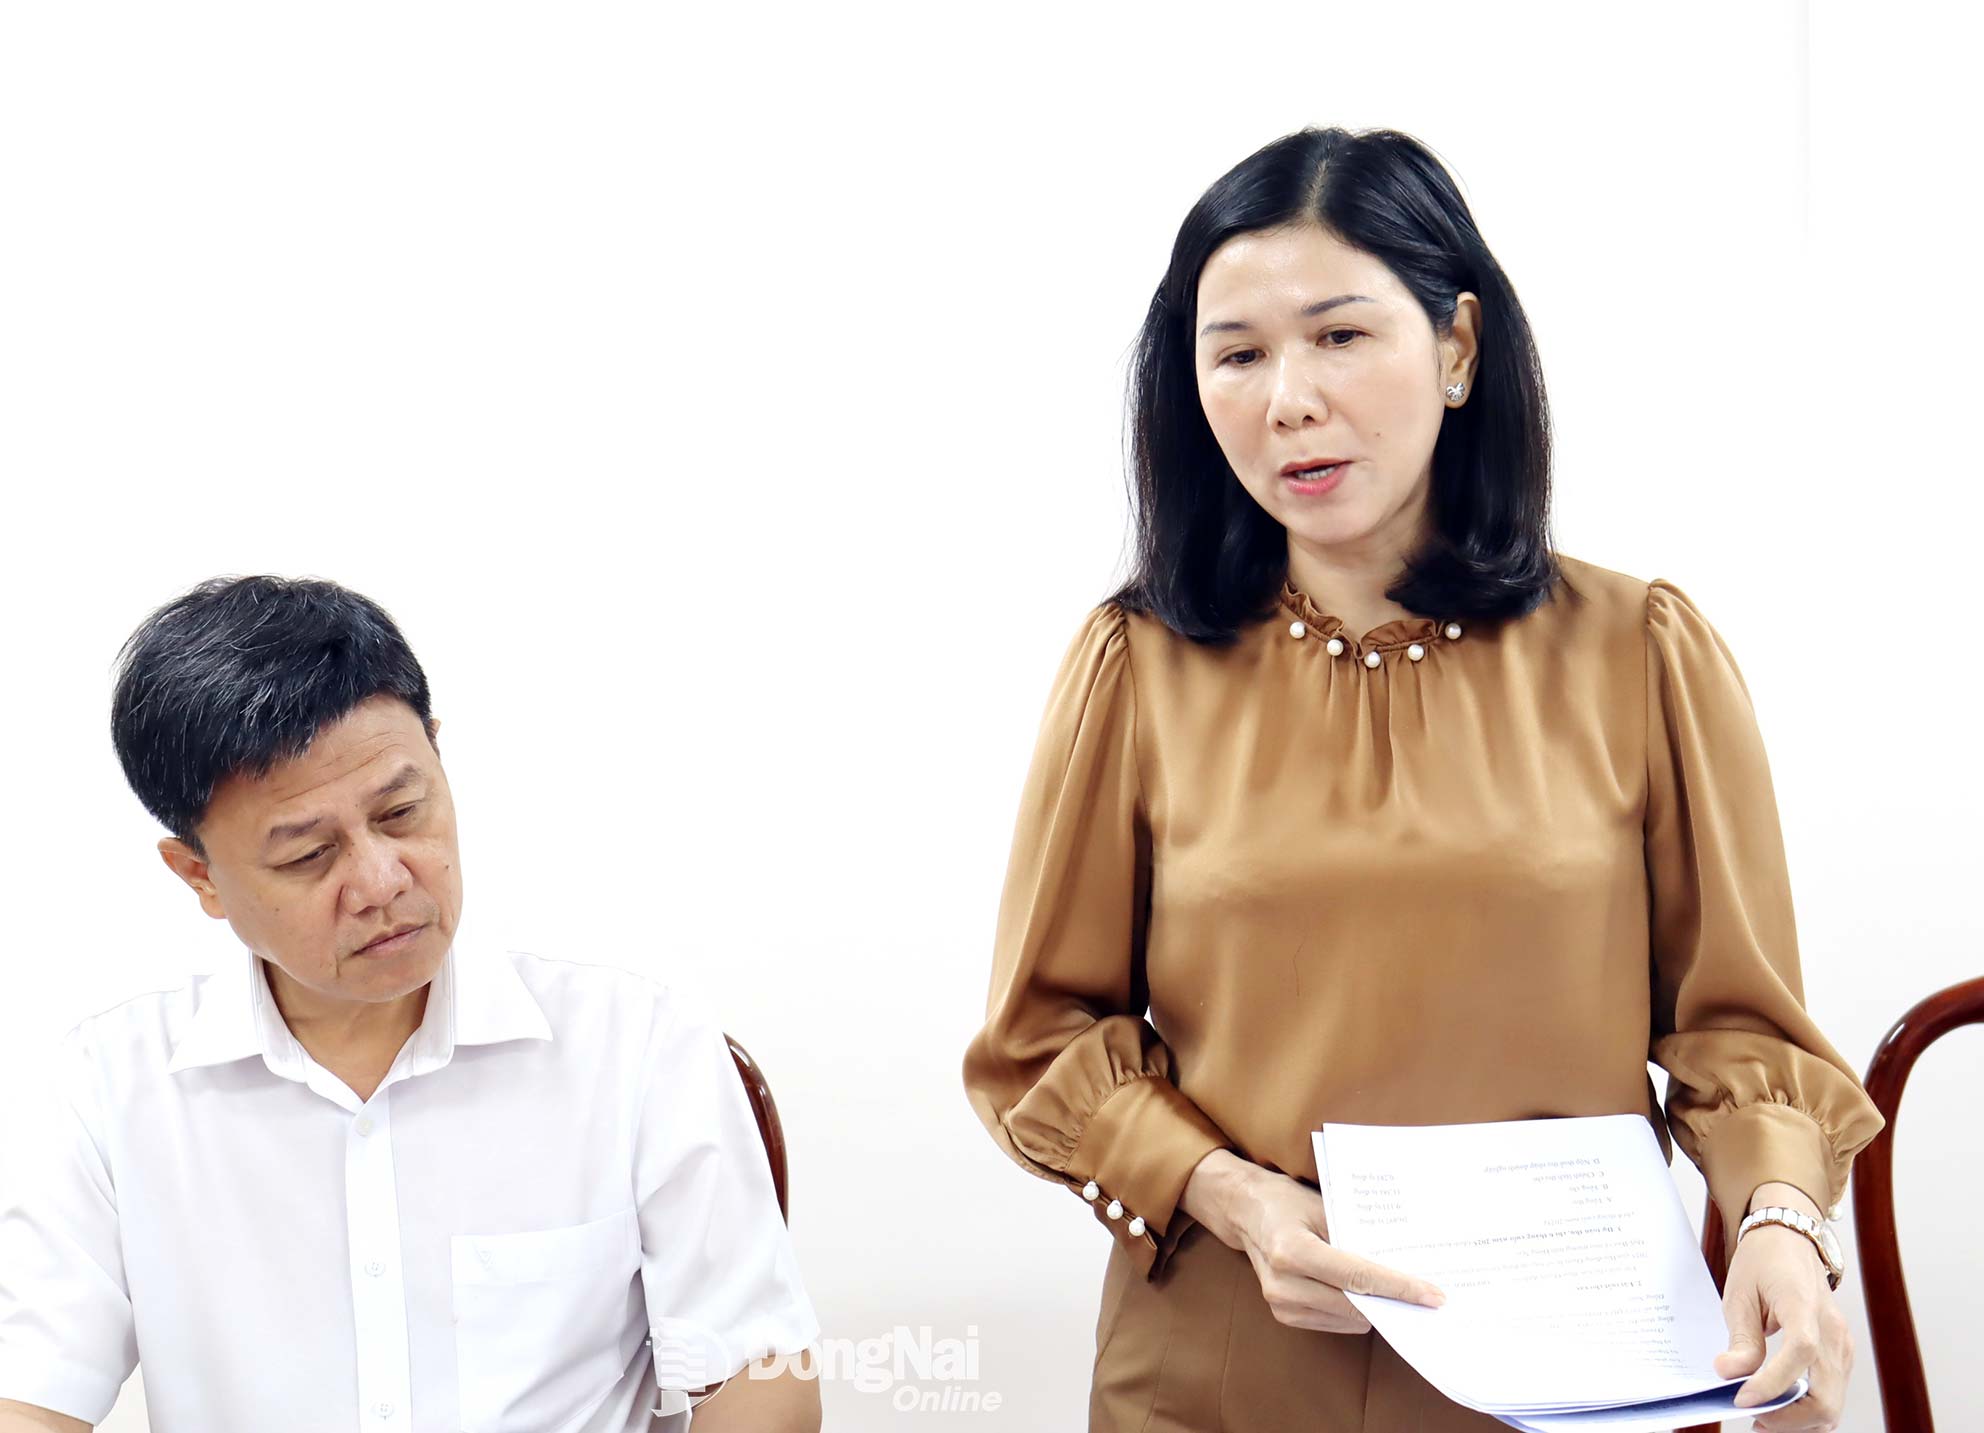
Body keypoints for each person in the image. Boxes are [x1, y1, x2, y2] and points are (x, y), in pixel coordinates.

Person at [962, 126, 1886, 1433]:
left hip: (1584, 1380)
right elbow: (1043, 1041)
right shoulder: (1138, 665)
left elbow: (1742, 1034)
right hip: (1222, 1373)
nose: (1289, 397)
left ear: (1457, 348)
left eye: (1340, 336)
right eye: (1236, 353)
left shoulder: (1640, 649)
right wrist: (1232, 1196)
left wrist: (1782, 1223)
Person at [0, 576, 820, 1433]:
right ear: (198, 874)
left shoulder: (639, 1047)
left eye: (401, 810)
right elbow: (30, 1398)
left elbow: (759, 1373)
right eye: (309, 855)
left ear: (438, 753)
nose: (383, 879)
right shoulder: (105, 1093)